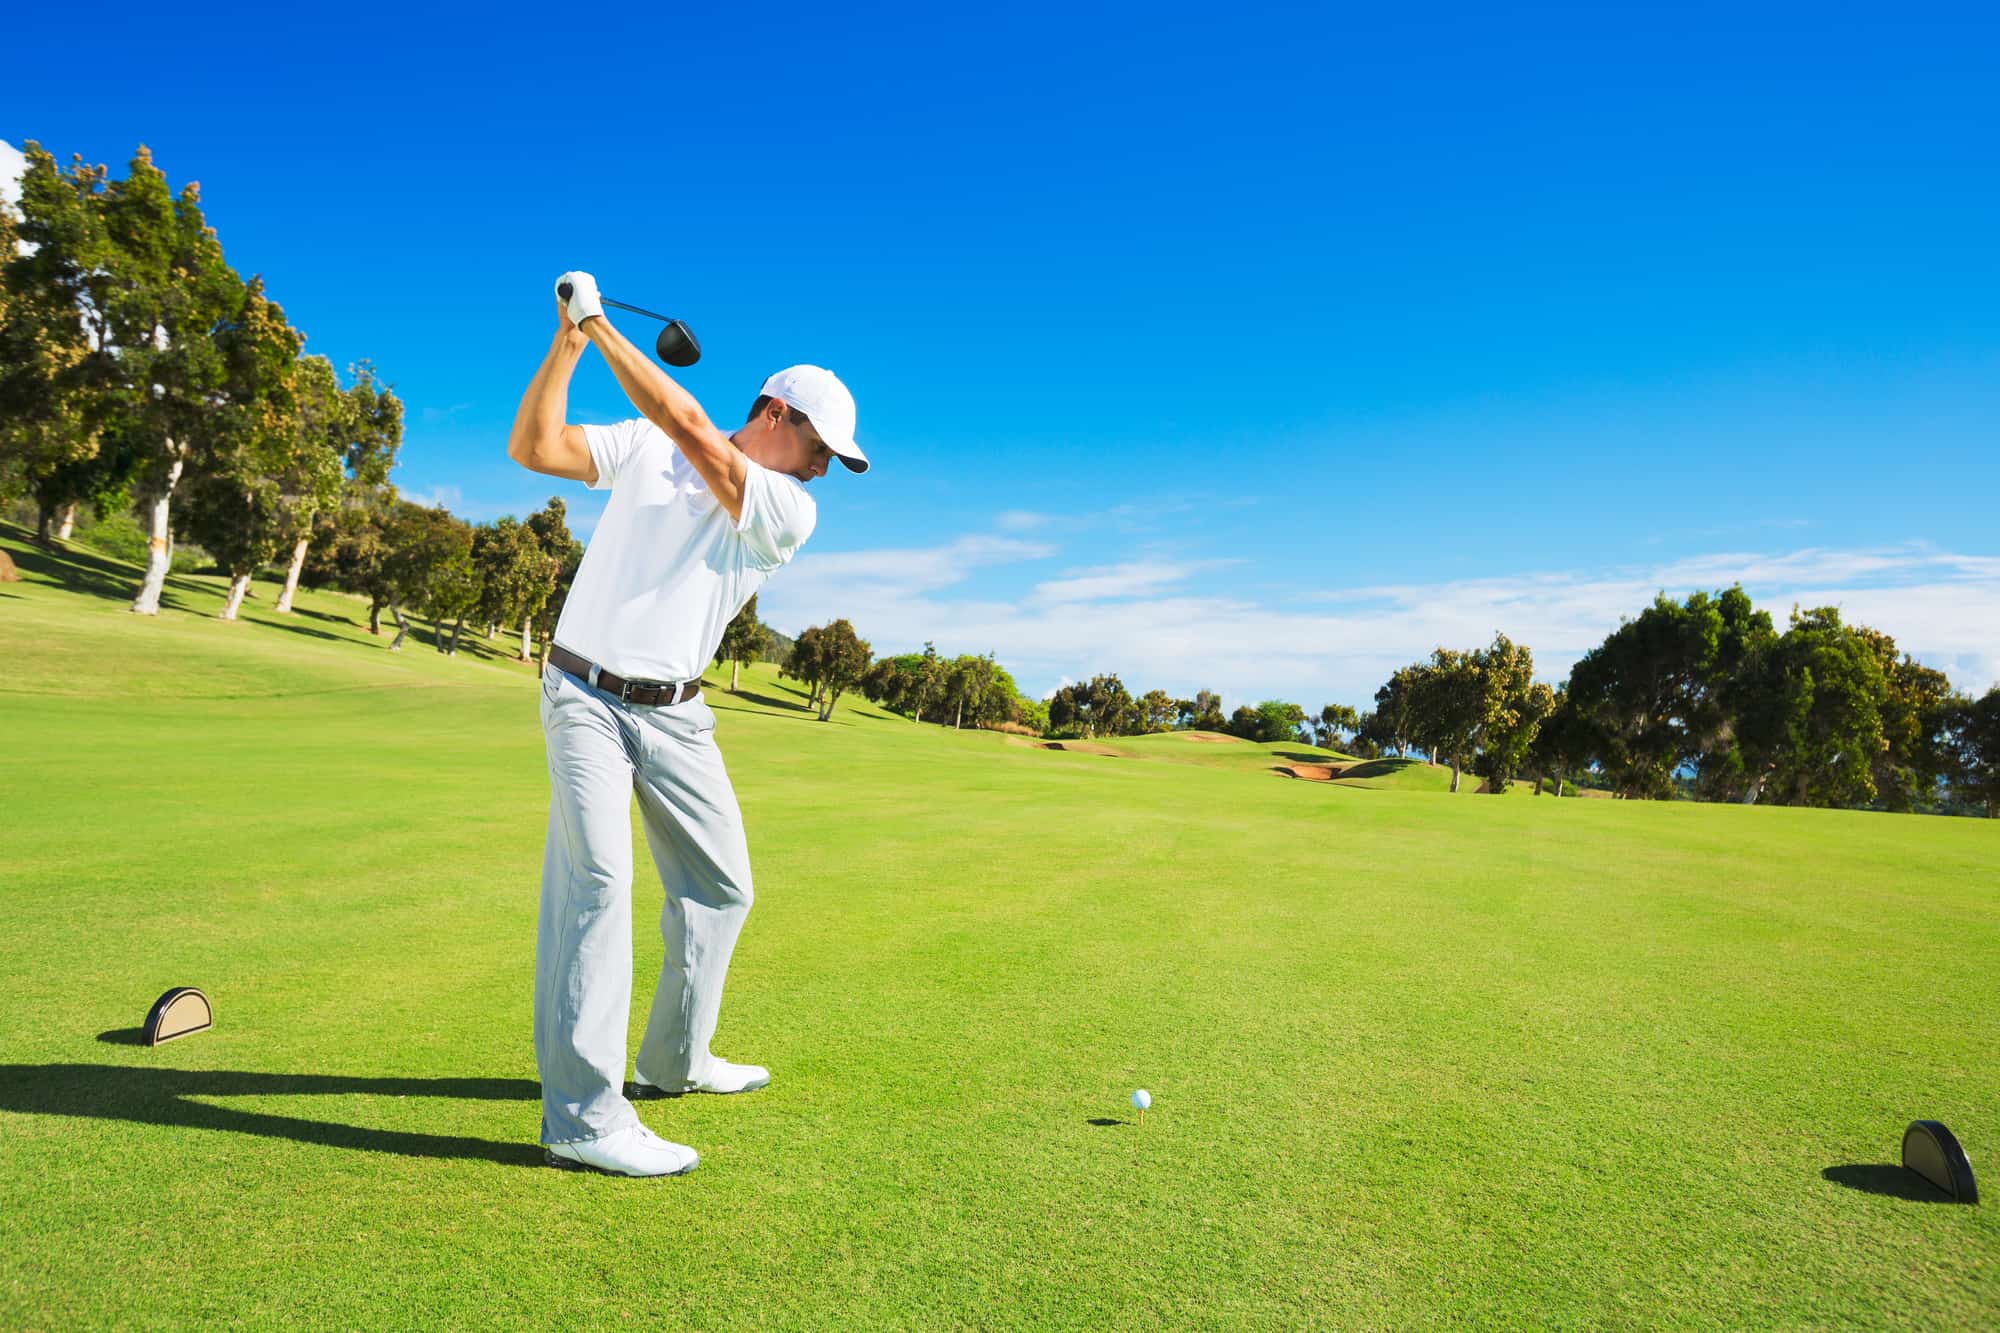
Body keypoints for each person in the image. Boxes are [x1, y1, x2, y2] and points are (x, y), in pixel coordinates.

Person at [505, 271, 868, 1177]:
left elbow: (696, 432)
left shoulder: (789, 507)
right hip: (583, 696)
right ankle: (584, 1121)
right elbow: (534, 445)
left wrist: (599, 319)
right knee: (596, 888)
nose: (828, 467)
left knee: (722, 888)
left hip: (678, 716)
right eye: (822, 446)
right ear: (778, 412)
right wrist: (570, 340)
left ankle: (675, 1059)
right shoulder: (643, 447)